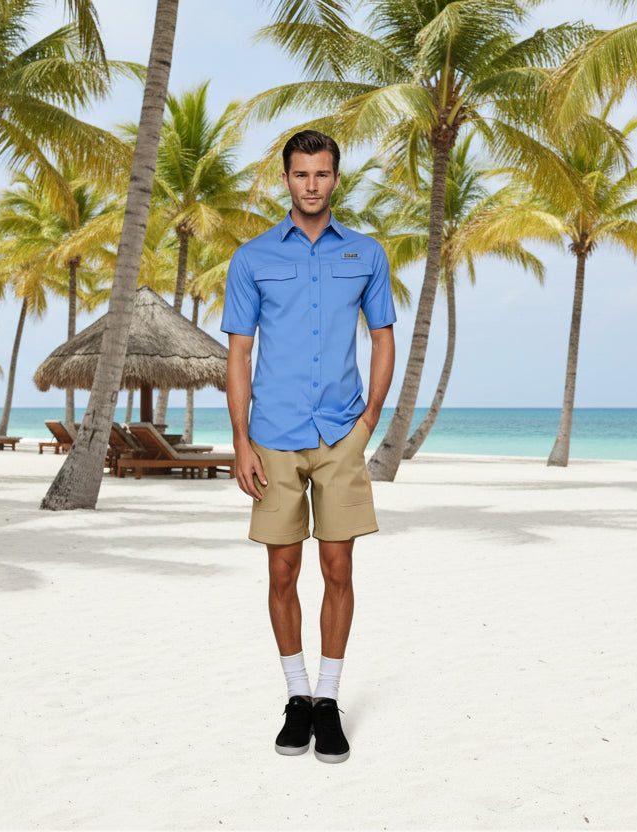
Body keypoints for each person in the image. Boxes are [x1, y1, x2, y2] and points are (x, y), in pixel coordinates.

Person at [220, 130, 396, 764]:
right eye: (301, 174)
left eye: (323, 173)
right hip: (274, 437)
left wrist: (370, 417)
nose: (312, 184)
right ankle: (296, 696)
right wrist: (240, 440)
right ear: (286, 179)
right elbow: (238, 353)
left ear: (336, 179)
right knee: (282, 571)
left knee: (339, 570)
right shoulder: (253, 258)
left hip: (341, 432)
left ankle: (328, 699)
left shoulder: (367, 255)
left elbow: (382, 337)